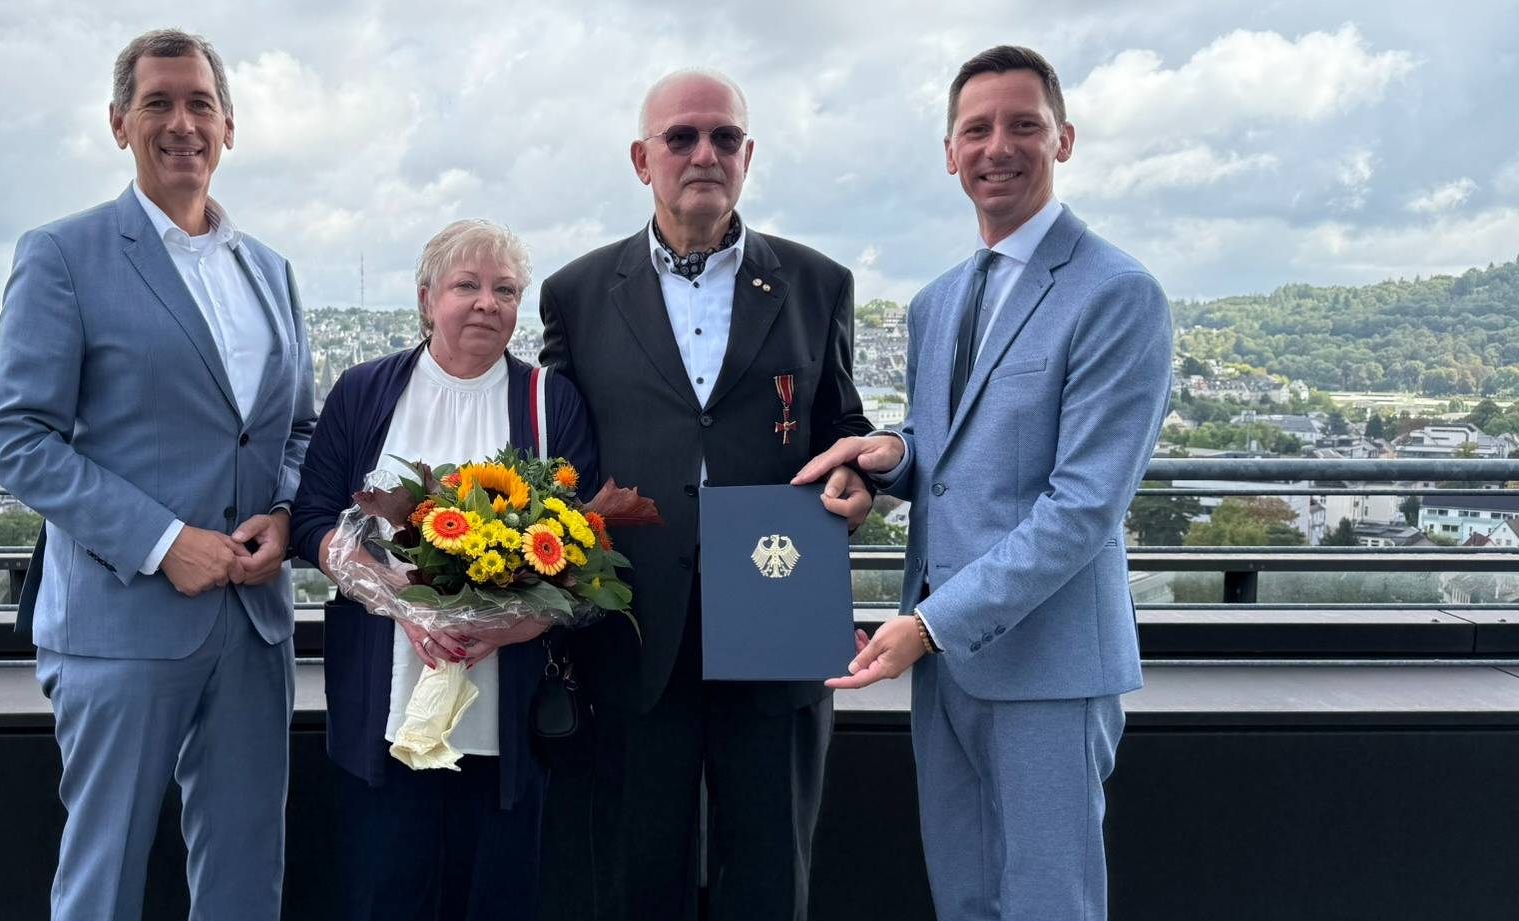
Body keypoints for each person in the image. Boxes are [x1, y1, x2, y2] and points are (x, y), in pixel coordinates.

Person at [794, 44, 1174, 921]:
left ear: (1064, 139)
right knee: (963, 899)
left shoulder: (1117, 292)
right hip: (946, 672)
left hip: (1045, 667)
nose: (997, 146)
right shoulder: (936, 300)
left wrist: (928, 625)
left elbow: (1082, 508)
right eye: (977, 129)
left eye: (1023, 126)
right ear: (949, 151)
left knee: (1049, 904)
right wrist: (888, 455)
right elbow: (949, 443)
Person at [0, 28, 315, 921]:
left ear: (230, 126)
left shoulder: (271, 272)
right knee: (104, 880)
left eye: (199, 103)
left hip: (252, 625)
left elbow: (297, 431)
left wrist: (284, 514)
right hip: (121, 623)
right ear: (119, 123)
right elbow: (16, 437)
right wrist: (164, 543)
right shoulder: (63, 254)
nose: (181, 123)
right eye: (158, 103)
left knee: (247, 874)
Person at [538, 68, 876, 920]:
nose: (704, 154)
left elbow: (847, 429)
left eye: (724, 137)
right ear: (639, 158)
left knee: (769, 877)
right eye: (681, 137)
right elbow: (556, 462)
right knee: (634, 877)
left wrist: (854, 480)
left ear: (748, 155)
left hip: (777, 617)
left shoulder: (817, 284)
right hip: (631, 627)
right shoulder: (575, 294)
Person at [290, 219, 599, 920]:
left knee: (497, 897)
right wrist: (392, 591)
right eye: (468, 285)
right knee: (384, 895)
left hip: (507, 712)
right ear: (427, 299)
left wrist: (518, 624)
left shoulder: (553, 403)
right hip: (387, 710)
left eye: (506, 290)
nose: (488, 303)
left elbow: (590, 551)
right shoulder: (365, 392)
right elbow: (311, 520)